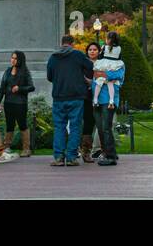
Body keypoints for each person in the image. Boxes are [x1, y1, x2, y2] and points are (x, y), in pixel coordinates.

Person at [46, 34, 92, 166]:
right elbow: (90, 67)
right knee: (75, 126)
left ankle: (59, 157)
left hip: (59, 96)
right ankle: (72, 157)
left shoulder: (53, 57)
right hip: (76, 96)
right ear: (72, 43)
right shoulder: (78, 55)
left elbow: (49, 77)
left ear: (62, 43)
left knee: (59, 127)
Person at [93, 33, 125, 166]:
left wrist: (104, 74)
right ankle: (107, 152)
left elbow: (117, 76)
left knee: (106, 127)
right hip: (98, 99)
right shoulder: (100, 61)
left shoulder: (119, 65)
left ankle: (110, 156)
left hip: (109, 101)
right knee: (100, 128)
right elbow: (96, 74)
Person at [0, 50, 35, 157]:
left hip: (20, 103)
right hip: (8, 103)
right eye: (12, 57)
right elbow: (2, 88)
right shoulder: (7, 71)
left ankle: (26, 149)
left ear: (20, 60)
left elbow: (31, 87)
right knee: (9, 125)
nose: (13, 60)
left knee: (22, 125)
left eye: (15, 58)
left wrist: (19, 88)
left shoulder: (25, 71)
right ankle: (7, 147)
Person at [79, 42, 102, 162]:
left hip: (99, 97)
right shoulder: (83, 64)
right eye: (90, 50)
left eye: (95, 49)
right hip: (85, 96)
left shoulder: (102, 64)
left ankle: (99, 149)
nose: (92, 51)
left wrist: (93, 82)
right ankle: (85, 151)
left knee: (96, 123)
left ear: (99, 51)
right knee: (87, 123)